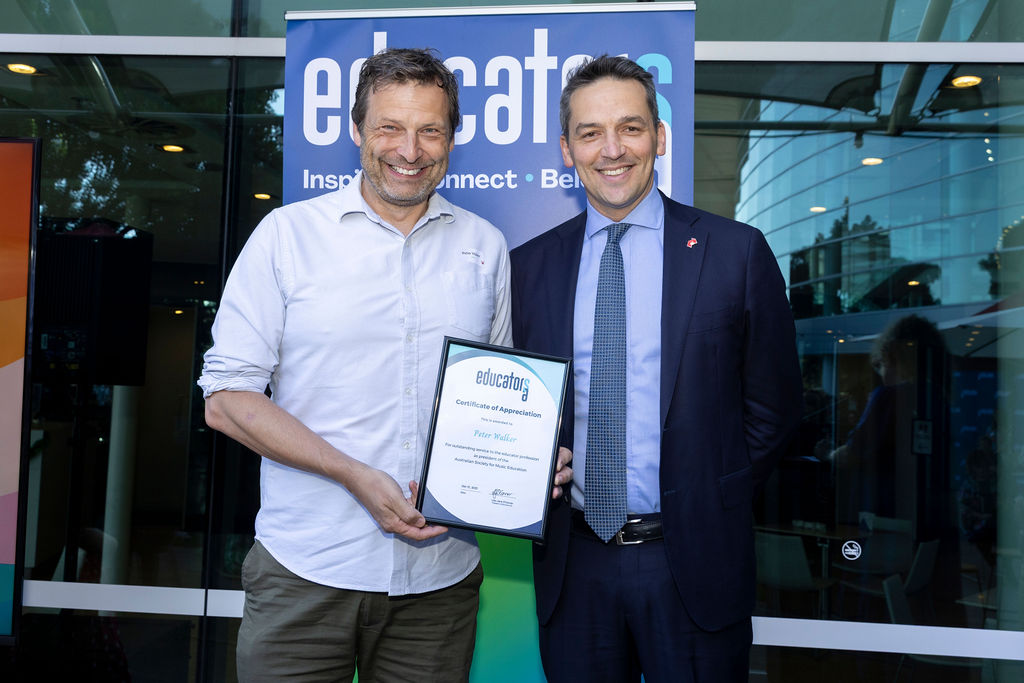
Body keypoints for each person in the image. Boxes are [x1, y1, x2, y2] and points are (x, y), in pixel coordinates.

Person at [198, 47, 570, 682]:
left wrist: (531, 459)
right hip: (306, 572)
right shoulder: (286, 236)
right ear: (357, 131)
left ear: (453, 137)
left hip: (439, 586)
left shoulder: (484, 247)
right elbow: (227, 400)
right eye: (390, 127)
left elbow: (498, 392)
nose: (410, 149)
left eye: (430, 130)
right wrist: (351, 474)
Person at [509, 55, 802, 683]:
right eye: (590, 133)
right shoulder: (528, 267)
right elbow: (517, 402)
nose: (612, 150)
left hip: (693, 561)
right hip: (574, 567)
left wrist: (709, 495)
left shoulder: (735, 253)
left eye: (631, 128)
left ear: (659, 137)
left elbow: (774, 410)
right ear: (567, 150)